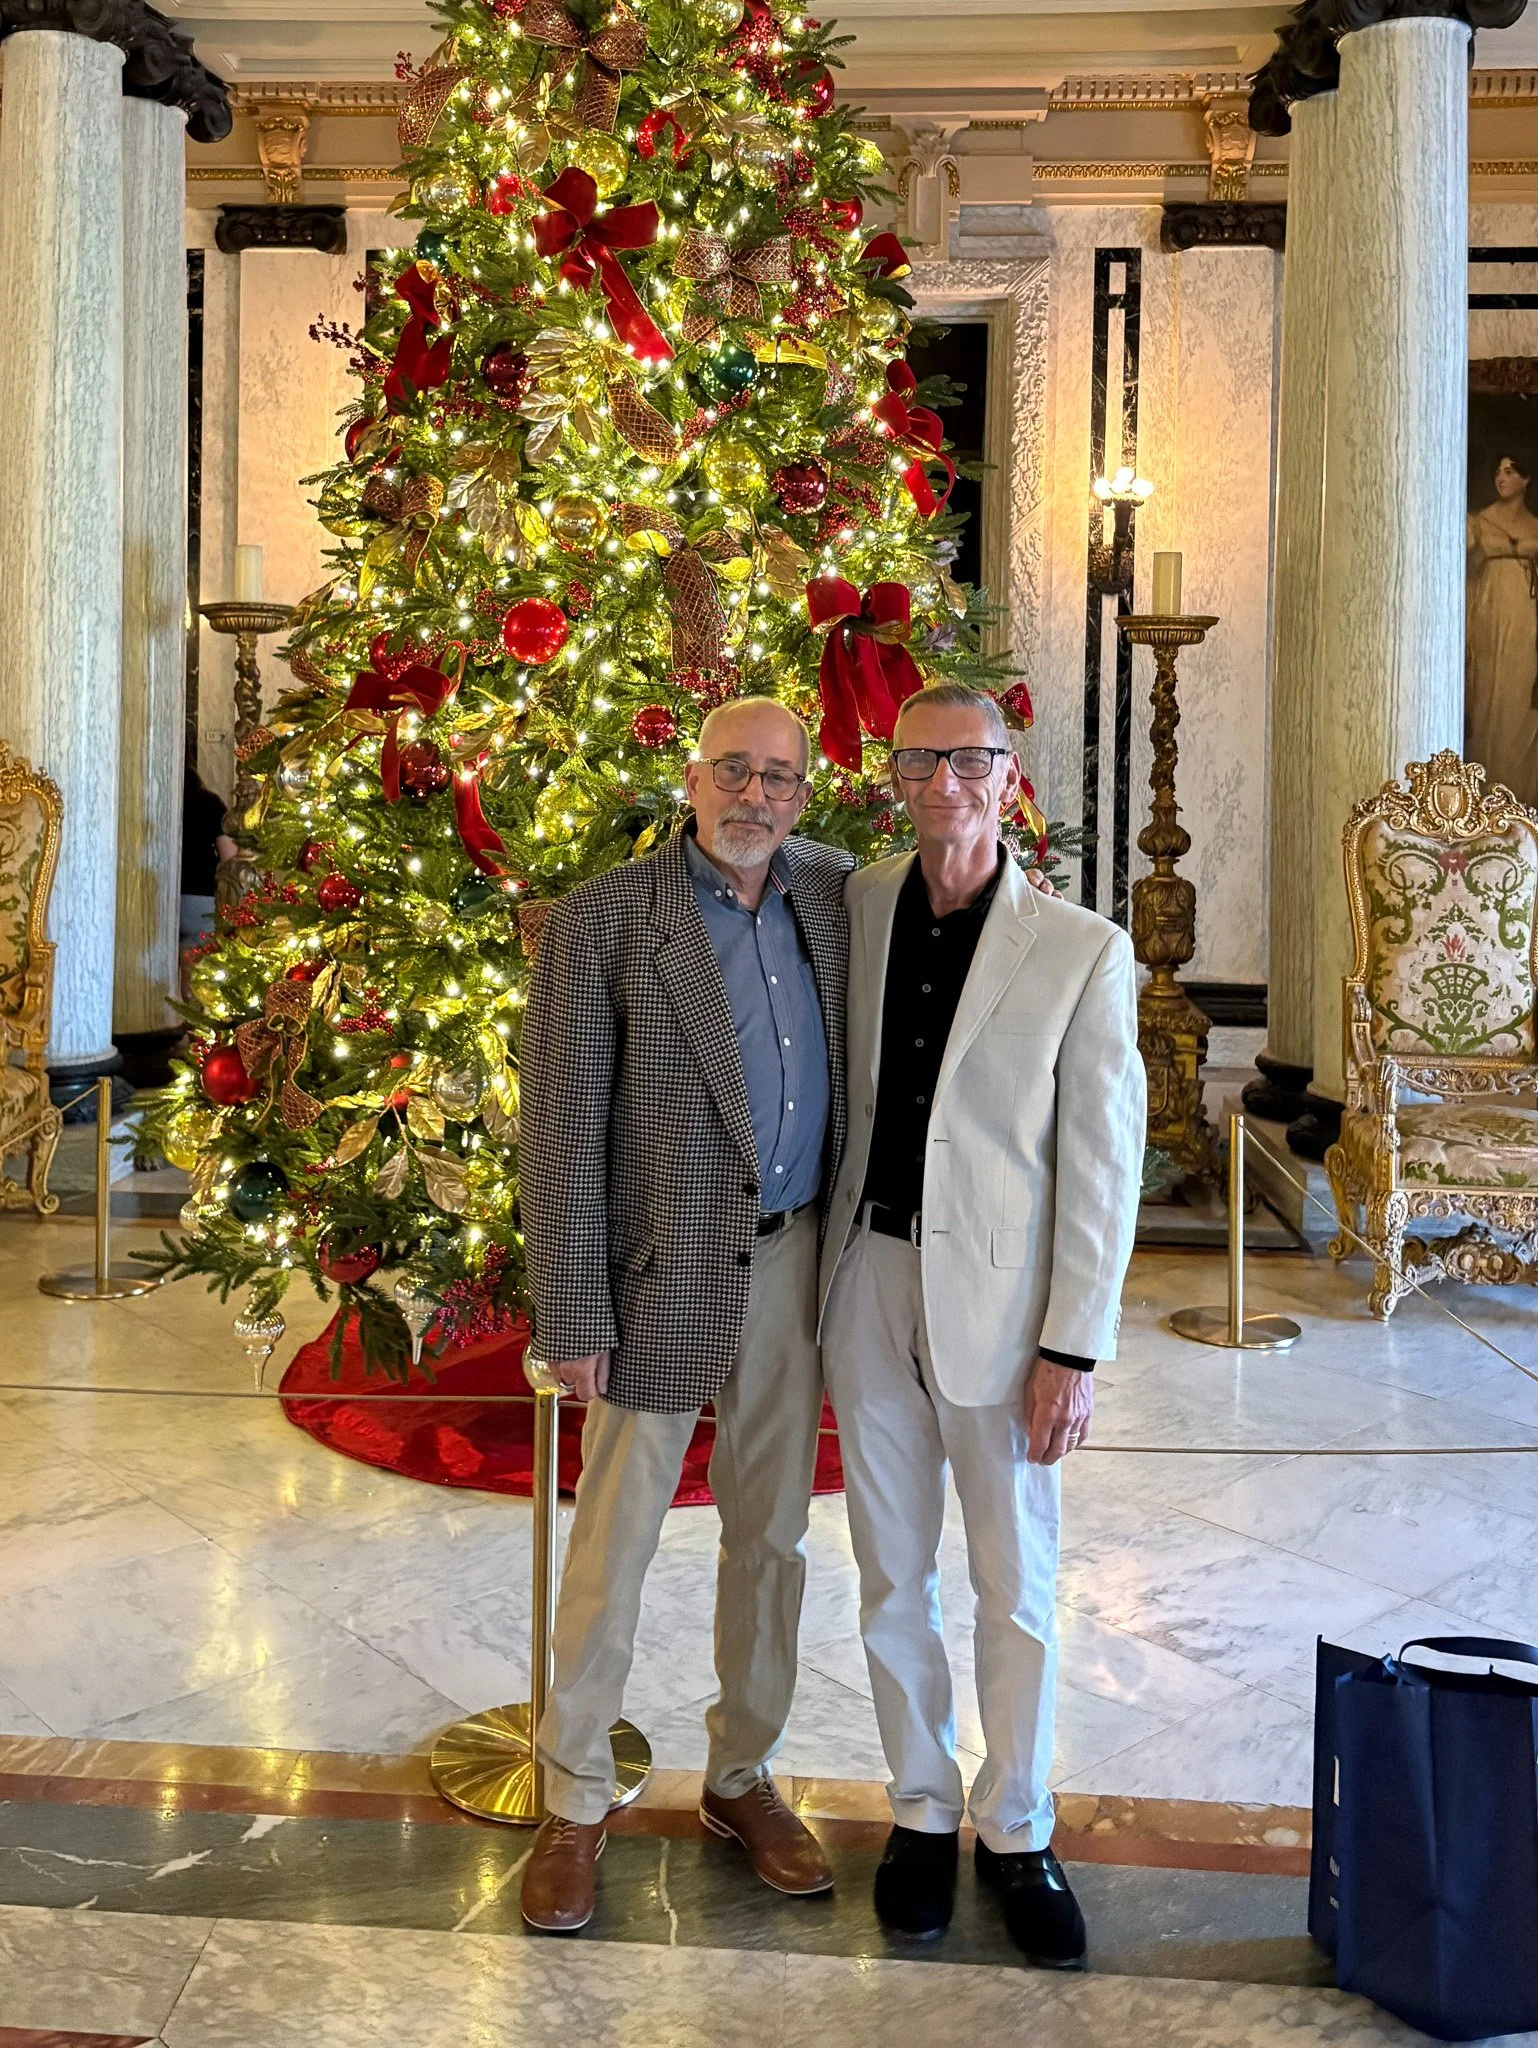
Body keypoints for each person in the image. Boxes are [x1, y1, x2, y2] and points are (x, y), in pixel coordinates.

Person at [818, 681, 1144, 1967]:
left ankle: (1016, 1824)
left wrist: (1073, 1343)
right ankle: (917, 1806)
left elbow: (1101, 1165)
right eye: (918, 761)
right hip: (866, 1278)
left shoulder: (1078, 948)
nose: (943, 782)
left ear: (1008, 775)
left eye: (968, 759)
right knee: (889, 1570)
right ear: (892, 777)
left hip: (1005, 1313)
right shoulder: (853, 905)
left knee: (1014, 1584)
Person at [518, 696, 852, 1932]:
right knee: (612, 1547)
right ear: (691, 776)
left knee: (771, 1539)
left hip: (792, 1262)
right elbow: (559, 1130)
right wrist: (570, 1309)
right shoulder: (606, 918)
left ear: (804, 793)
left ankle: (740, 1775)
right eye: (734, 770)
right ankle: (572, 1796)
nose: (755, 796)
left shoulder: (835, 895)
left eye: (779, 777)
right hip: (652, 1272)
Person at [1466, 454, 1538, 807]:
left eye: (1509, 471)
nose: (1501, 477)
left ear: (1526, 479)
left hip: (1527, 622)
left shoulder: (1535, 525)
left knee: (1520, 702)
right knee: (1486, 699)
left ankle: (1521, 800)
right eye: (1497, 471)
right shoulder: (1479, 521)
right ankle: (1484, 793)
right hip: (1488, 616)